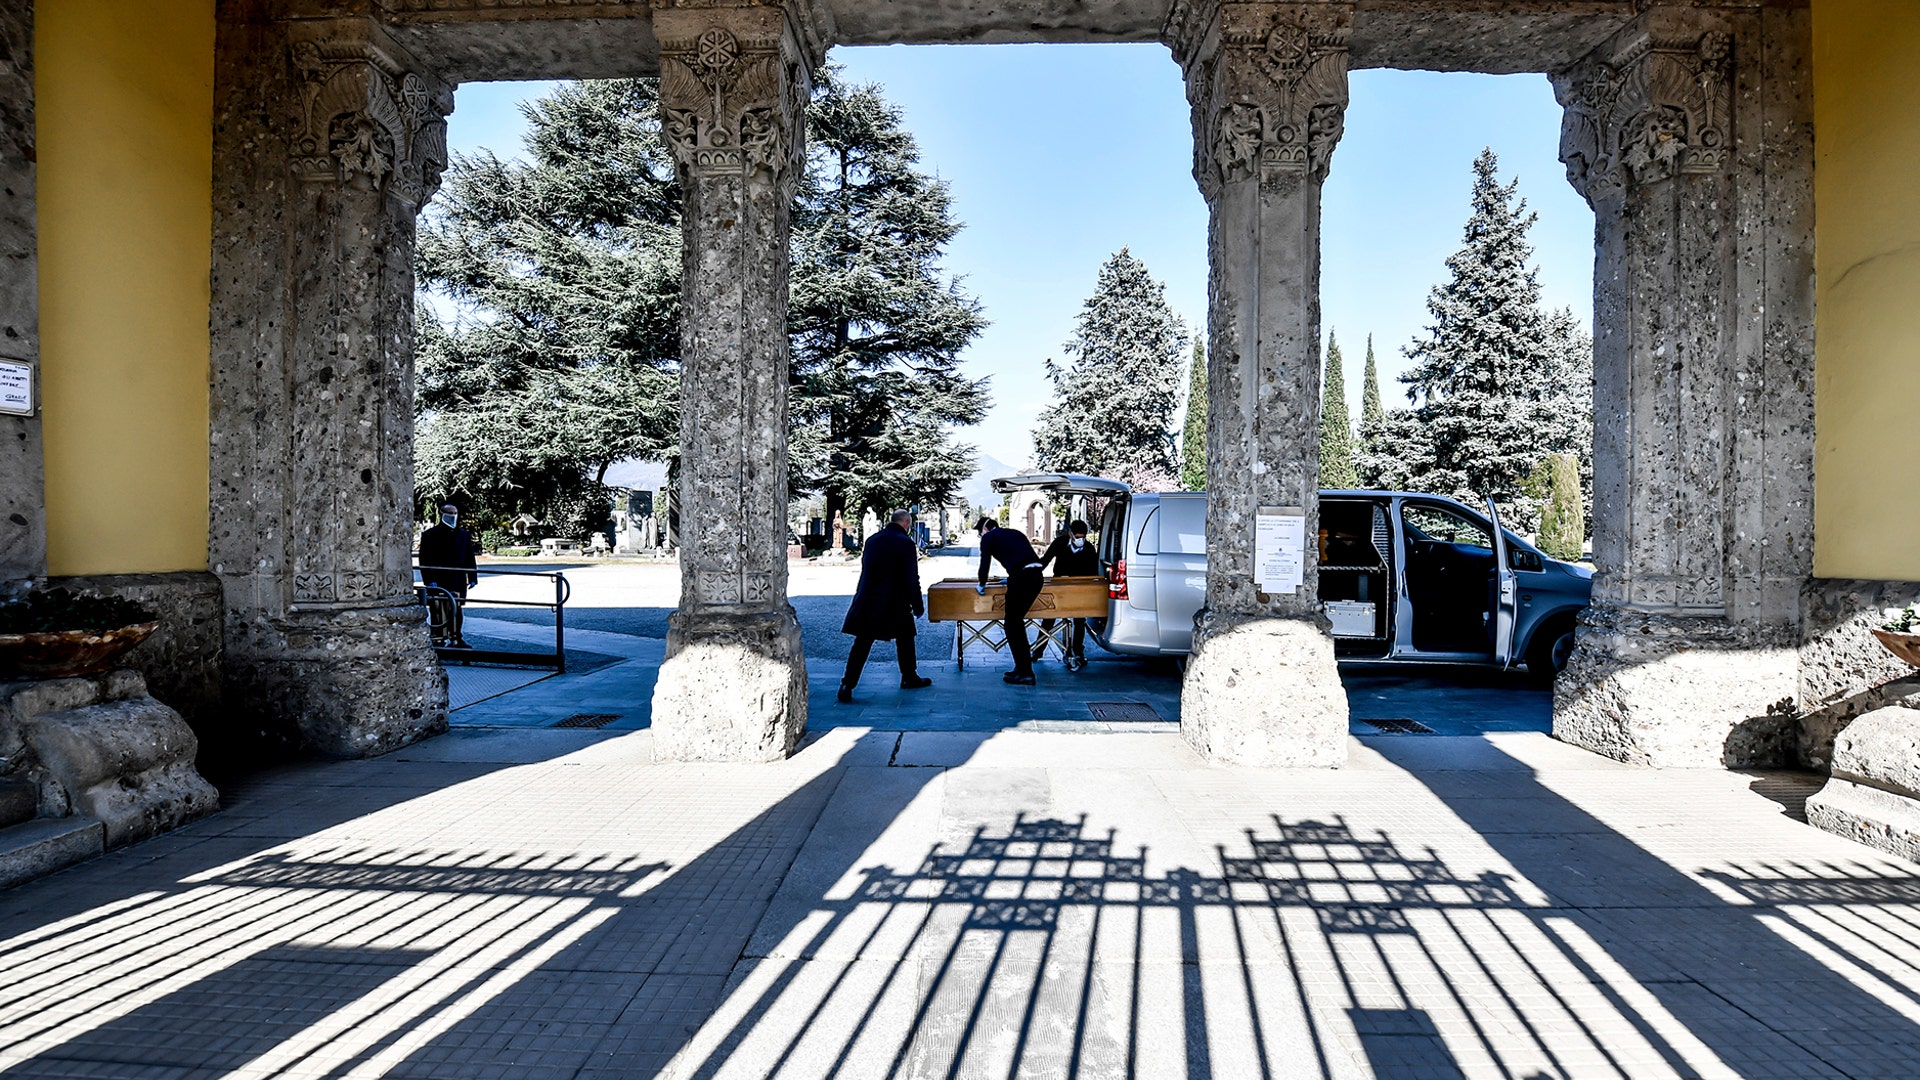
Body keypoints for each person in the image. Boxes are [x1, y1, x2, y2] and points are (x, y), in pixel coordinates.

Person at [839, 510, 933, 703]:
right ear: (906, 523)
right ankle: (909, 676)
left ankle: (847, 684)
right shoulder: (905, 543)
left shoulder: (872, 540)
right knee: (906, 638)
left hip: (869, 599)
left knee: (862, 642)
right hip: (895, 601)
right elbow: (911, 578)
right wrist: (918, 605)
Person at [977, 515, 1044, 685]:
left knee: (1013, 624)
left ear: (984, 529)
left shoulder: (988, 538)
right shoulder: (1015, 532)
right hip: (1036, 575)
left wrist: (982, 584)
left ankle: (1026, 672)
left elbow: (984, 563)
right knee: (1016, 623)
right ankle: (1021, 667)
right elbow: (1023, 555)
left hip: (1022, 577)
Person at [1036, 518, 1099, 671]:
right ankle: (1038, 650)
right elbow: (1045, 560)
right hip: (1059, 586)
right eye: (1077, 537)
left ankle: (1078, 652)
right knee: (1049, 618)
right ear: (1070, 534)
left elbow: (1093, 571)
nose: (1080, 540)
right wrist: (1033, 571)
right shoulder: (1060, 543)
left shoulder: (1089, 549)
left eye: (1083, 537)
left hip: (1079, 589)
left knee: (1079, 621)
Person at [418, 502, 478, 648]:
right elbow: (424, 558)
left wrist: (472, 577)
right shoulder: (430, 535)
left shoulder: (463, 534)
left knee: (456, 609)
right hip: (438, 578)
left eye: (455, 513)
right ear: (442, 514)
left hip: (457, 578)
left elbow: (469, 556)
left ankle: (456, 638)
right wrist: (429, 579)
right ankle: (438, 638)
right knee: (438, 608)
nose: (453, 516)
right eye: (450, 513)